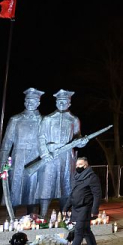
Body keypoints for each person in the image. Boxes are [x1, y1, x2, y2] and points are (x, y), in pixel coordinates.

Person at [0, 87, 44, 215]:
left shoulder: (44, 121)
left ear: (38, 103)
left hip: (36, 157)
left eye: (33, 101)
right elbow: (7, 143)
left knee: (33, 189)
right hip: (18, 157)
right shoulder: (16, 119)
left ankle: (32, 218)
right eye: (28, 100)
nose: (30, 103)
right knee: (15, 188)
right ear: (24, 101)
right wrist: (2, 163)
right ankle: (12, 218)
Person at [37, 89, 82, 219]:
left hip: (67, 156)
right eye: (59, 101)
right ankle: (42, 215)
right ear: (56, 102)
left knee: (66, 186)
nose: (62, 104)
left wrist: (82, 141)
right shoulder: (48, 119)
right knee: (47, 185)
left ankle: (65, 216)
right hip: (51, 154)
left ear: (69, 103)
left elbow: (77, 139)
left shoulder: (74, 119)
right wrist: (45, 153)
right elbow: (41, 138)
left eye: (65, 101)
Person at [58, 157, 101, 245]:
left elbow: (97, 194)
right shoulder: (76, 177)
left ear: (86, 165)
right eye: (76, 165)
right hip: (76, 208)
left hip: (86, 208)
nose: (77, 167)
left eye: (80, 165)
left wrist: (95, 210)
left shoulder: (92, 177)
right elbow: (72, 194)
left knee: (79, 232)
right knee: (86, 231)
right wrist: (66, 207)